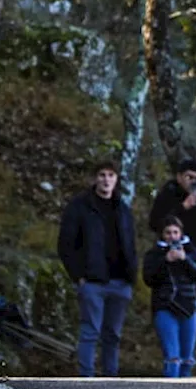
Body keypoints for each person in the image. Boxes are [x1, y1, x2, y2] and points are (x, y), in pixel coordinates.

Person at [57, 161, 137, 377]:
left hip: (120, 281)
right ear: (95, 178)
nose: (106, 179)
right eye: (102, 174)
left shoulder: (122, 208)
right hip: (92, 281)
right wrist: (78, 276)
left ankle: (111, 379)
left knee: (113, 334)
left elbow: (131, 243)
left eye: (111, 175)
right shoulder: (79, 207)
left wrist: (132, 276)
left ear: (116, 179)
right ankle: (86, 378)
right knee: (90, 331)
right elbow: (66, 244)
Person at [143, 217, 196, 378]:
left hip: (189, 307)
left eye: (175, 232)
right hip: (165, 307)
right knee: (172, 357)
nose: (172, 236)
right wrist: (165, 261)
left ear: (181, 233)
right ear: (162, 235)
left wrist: (185, 260)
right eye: (168, 233)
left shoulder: (192, 251)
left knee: (187, 358)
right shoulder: (154, 254)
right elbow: (148, 279)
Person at [149, 158, 196, 254]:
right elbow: (155, 223)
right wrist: (183, 207)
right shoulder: (167, 195)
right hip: (171, 253)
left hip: (195, 253)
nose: (193, 182)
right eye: (189, 177)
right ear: (179, 177)